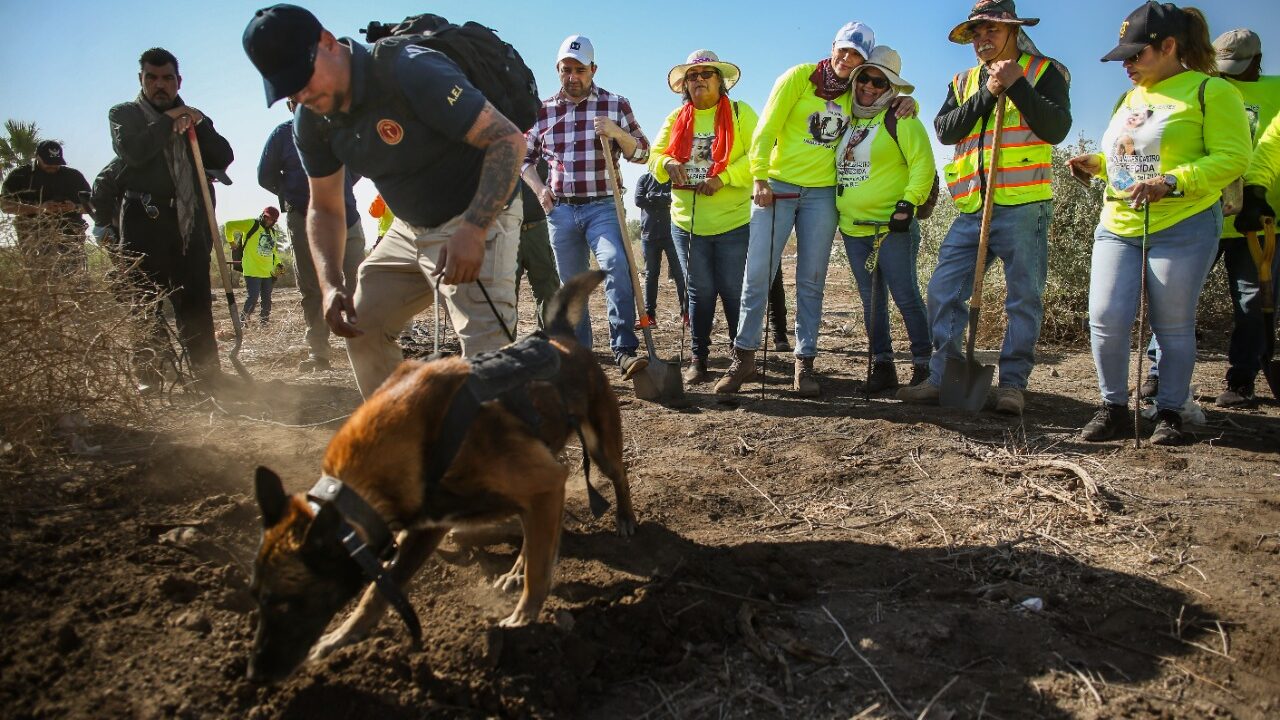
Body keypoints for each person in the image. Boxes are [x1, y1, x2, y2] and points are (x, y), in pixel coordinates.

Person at [243, 4, 526, 399]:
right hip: (408, 228)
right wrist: (330, 284)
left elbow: (508, 140)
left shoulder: (409, 70)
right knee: (363, 327)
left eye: (302, 78)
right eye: (288, 89)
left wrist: (474, 228)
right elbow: (324, 207)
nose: (301, 95)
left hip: (475, 214)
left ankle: (510, 455)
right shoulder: (311, 119)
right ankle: (404, 442)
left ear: (326, 42)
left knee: (487, 358)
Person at [1070, 1, 1250, 445]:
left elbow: (1233, 157)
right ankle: (1112, 407)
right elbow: (1128, 158)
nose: (1127, 64)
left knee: (1172, 323)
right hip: (1119, 223)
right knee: (1106, 317)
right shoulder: (1128, 98)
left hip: (1184, 223)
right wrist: (1097, 163)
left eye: (1137, 54)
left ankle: (1169, 411)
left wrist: (1173, 181)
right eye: (1124, 57)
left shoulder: (1211, 92)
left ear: (1169, 45)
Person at [716, 21, 913, 396]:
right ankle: (742, 358)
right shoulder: (799, 77)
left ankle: (804, 363)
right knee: (758, 272)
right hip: (777, 186)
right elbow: (766, 130)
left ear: (863, 60)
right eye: (843, 49)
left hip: (822, 194)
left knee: (812, 279)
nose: (847, 58)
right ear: (833, 47)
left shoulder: (856, 93)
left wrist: (907, 100)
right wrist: (759, 178)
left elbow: (883, 101)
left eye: (856, 54)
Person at [897, 0, 1072, 415]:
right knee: (943, 290)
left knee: (1023, 298)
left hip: (1023, 205)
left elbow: (1056, 129)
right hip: (972, 207)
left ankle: (1012, 385)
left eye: (991, 30)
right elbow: (945, 130)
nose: (982, 39)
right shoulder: (963, 81)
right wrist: (991, 90)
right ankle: (942, 378)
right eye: (976, 33)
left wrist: (1018, 86)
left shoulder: (1046, 72)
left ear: (1013, 30)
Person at [1140, 28, 1280, 407]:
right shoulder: (1202, 89)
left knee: (1252, 303)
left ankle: (1241, 380)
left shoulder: (1277, 90)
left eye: (1238, 67)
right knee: (1173, 296)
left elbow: (1268, 152)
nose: (1229, 74)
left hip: (1260, 220)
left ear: (1257, 61)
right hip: (1201, 211)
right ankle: (1158, 372)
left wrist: (1257, 195)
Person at [522, 34, 652, 378]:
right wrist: (539, 191)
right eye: (566, 69)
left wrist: (617, 133)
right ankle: (580, 353)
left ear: (593, 69)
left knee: (615, 266)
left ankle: (624, 349)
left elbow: (642, 152)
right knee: (573, 285)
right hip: (561, 211)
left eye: (580, 69)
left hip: (603, 207)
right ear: (557, 69)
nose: (573, 76)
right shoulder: (542, 111)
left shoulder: (615, 104)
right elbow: (523, 158)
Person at [109, 47, 235, 392]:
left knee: (194, 299)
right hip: (143, 220)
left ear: (178, 81)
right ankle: (150, 376)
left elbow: (223, 156)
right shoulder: (125, 114)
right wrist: (169, 119)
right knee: (145, 302)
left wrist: (198, 121)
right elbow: (134, 152)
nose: (160, 85)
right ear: (141, 79)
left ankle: (207, 375)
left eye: (167, 78)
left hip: (189, 220)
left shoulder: (193, 117)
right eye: (152, 78)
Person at [650, 50, 757, 385]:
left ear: (720, 81)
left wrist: (722, 178)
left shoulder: (742, 114)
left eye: (705, 74)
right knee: (699, 291)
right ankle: (699, 358)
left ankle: (742, 358)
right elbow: (655, 156)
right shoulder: (675, 118)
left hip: (733, 221)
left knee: (732, 289)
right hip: (687, 222)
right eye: (692, 76)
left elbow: (761, 155)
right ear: (685, 85)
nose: (698, 81)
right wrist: (668, 164)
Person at [835, 47, 935, 393]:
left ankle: (924, 367)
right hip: (853, 228)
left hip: (893, 227)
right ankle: (883, 366)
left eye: (880, 82)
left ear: (891, 87)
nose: (870, 86)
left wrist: (908, 204)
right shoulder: (847, 115)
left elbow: (923, 164)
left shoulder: (902, 118)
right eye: (864, 77)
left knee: (906, 296)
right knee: (872, 300)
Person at [259, 100, 366, 372]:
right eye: (296, 100)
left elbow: (358, 166)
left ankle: (365, 347)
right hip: (302, 218)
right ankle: (319, 353)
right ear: (289, 105)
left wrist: (333, 191)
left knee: (360, 281)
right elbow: (265, 175)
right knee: (312, 287)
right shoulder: (282, 135)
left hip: (347, 217)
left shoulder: (340, 128)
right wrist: (293, 194)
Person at [1, 140, 92, 268]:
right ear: (37, 157)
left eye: (56, 163)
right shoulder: (20, 175)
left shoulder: (73, 176)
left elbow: (94, 206)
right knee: (41, 281)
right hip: (34, 240)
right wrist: (39, 209)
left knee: (76, 282)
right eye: (48, 163)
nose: (53, 167)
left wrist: (75, 207)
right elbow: (5, 205)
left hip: (70, 240)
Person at [633, 171, 687, 328]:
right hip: (649, 235)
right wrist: (661, 198)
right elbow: (638, 200)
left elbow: (674, 198)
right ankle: (650, 317)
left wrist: (652, 197)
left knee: (680, 275)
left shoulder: (674, 178)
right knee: (651, 276)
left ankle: (686, 314)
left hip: (672, 234)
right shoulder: (644, 179)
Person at [515, 159, 561, 329]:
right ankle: (503, 349)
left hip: (539, 229)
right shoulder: (497, 144)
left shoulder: (540, 144)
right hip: (505, 231)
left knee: (548, 289)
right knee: (503, 295)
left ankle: (550, 345)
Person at [226, 207, 285, 324]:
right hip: (252, 270)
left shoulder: (273, 232)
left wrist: (279, 265)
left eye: (272, 219)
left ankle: (264, 322)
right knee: (253, 298)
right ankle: (242, 322)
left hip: (268, 272)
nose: (268, 221)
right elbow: (229, 225)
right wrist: (231, 242)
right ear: (263, 215)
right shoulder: (251, 224)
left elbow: (272, 252)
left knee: (267, 300)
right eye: (267, 217)